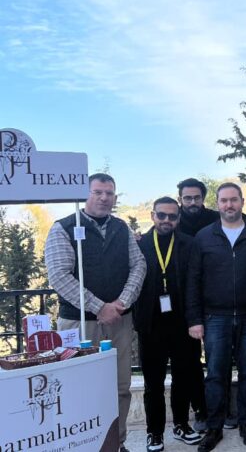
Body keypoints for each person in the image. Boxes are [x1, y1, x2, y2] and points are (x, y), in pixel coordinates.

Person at [44, 173, 146, 452]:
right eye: (97, 192)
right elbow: (59, 276)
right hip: (78, 324)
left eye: (109, 193)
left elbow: (138, 266)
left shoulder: (121, 228)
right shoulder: (63, 228)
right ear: (85, 193)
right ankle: (82, 445)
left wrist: (121, 303)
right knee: (77, 387)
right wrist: (99, 307)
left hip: (119, 321)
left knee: (120, 386)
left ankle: (117, 443)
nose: (104, 198)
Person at [185, 183, 246, 452]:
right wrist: (194, 319)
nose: (229, 205)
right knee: (215, 375)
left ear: (242, 201)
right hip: (214, 318)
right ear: (217, 203)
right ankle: (214, 427)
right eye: (224, 200)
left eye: (234, 200)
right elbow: (193, 280)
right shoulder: (203, 236)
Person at [133, 197, 203, 451]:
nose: (166, 220)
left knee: (183, 378)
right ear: (153, 215)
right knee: (153, 383)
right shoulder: (139, 244)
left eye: (172, 216)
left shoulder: (189, 244)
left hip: (183, 324)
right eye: (161, 215)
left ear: (178, 218)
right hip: (150, 325)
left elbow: (195, 283)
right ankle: (154, 432)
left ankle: (182, 425)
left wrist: (195, 320)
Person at [176, 177, 217, 430]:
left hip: (215, 298)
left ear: (203, 198)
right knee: (190, 360)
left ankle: (221, 408)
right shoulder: (172, 220)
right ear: (180, 199)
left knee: (218, 359)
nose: (192, 202)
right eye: (187, 198)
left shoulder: (216, 219)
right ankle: (200, 409)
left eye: (196, 198)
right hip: (183, 301)